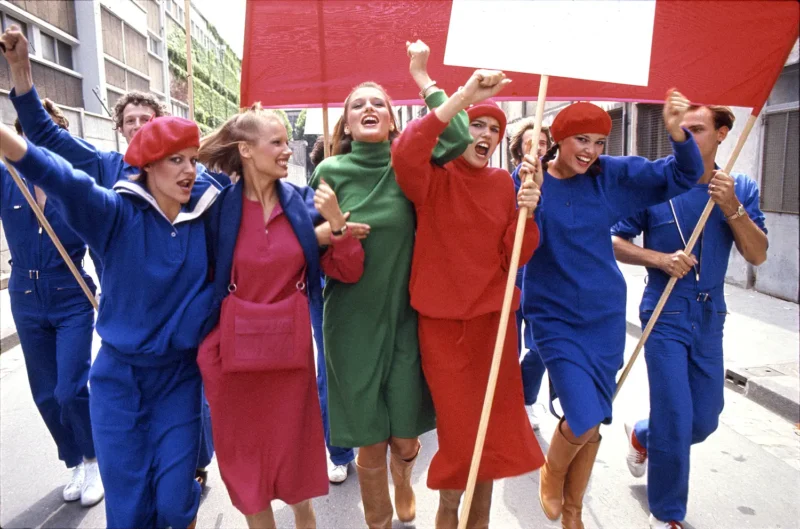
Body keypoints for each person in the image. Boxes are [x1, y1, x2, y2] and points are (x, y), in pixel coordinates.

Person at [1, 23, 218, 489]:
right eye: (130, 121)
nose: (138, 127)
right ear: (119, 130)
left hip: (178, 317)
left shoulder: (192, 178)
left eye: (147, 120)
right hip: (122, 304)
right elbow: (43, 138)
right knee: (119, 411)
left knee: (186, 406)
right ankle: (112, 469)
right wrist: (20, 69)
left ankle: (194, 468)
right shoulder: (102, 168)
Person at [308, 40, 472, 528]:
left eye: (378, 101)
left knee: (404, 431)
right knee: (368, 435)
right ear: (346, 123)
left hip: (407, 315)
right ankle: (376, 518)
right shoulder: (328, 170)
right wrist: (334, 227)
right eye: (358, 104)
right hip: (350, 319)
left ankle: (406, 475)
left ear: (394, 117)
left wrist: (422, 77)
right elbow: (308, 246)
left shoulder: (410, 161)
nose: (368, 108)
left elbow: (458, 134)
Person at [521, 93, 704, 529]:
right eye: (581, 139)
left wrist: (677, 132)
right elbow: (512, 245)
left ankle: (573, 510)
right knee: (582, 414)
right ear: (558, 139)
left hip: (602, 316)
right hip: (552, 315)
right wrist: (524, 205)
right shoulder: (530, 181)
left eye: (600, 141)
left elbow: (685, 174)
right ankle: (552, 471)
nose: (591, 151)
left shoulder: (611, 175)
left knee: (595, 418)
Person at [195, 104, 365, 528]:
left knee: (297, 479)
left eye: (288, 141)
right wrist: (206, 352)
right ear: (246, 150)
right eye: (277, 142)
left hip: (290, 363)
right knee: (250, 479)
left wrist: (337, 227)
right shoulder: (214, 209)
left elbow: (348, 270)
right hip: (233, 366)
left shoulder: (305, 203)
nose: (288, 150)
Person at [391, 70, 546, 529]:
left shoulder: (504, 183)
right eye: (477, 124)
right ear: (460, 128)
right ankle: (448, 508)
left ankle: (478, 517)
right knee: (461, 434)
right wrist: (452, 95)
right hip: (442, 326)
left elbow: (513, 254)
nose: (487, 135)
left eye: (495, 129)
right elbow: (407, 152)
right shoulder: (432, 177)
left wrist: (528, 212)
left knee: (492, 431)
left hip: (494, 325)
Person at [610, 105, 768, 529]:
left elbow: (758, 253)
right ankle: (667, 514)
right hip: (664, 308)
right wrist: (658, 258)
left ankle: (643, 433)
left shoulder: (741, 186)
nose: (685, 137)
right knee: (677, 417)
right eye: (680, 130)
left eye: (696, 129)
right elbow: (614, 240)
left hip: (710, 312)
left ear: (721, 134)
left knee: (703, 419)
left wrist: (732, 205)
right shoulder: (656, 182)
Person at [0, 99, 103, 507]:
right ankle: (74, 460)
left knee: (71, 387)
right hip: (25, 294)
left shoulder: (74, 185)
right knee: (44, 392)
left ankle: (95, 459)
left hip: (71, 293)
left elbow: (102, 238)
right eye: (25, 136)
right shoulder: (6, 178)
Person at [308, 135, 357, 484]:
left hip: (375, 293)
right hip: (326, 293)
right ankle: (339, 451)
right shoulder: (309, 198)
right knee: (330, 372)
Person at [508, 119, 553, 430]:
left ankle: (526, 398)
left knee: (539, 347)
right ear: (516, 154)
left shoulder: (558, 185)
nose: (537, 148)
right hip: (509, 278)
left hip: (543, 278)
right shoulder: (501, 185)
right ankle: (508, 403)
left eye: (542, 144)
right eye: (529, 143)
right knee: (507, 347)